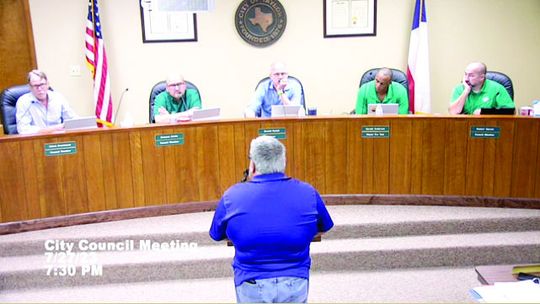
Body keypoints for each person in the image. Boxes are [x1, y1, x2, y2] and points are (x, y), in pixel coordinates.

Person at [209, 135, 334, 303]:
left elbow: (216, 234)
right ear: (283, 162)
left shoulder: (232, 195)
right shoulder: (308, 192)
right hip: (295, 279)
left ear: (252, 165)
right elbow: (324, 227)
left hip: (250, 280)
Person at [16, 69, 77, 134]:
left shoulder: (58, 97)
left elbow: (72, 119)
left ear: (47, 84)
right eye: (35, 86)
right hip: (36, 140)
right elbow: (22, 129)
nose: (39, 89)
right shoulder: (24, 101)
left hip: (60, 139)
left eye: (42, 84)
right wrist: (54, 128)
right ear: (30, 87)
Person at [449, 62, 514, 115]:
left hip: (490, 127)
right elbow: (453, 112)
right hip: (465, 126)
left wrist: (484, 112)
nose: (466, 78)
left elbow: (510, 111)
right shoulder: (459, 89)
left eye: (471, 75)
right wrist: (466, 91)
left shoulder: (497, 88)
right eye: (465, 74)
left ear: (482, 77)